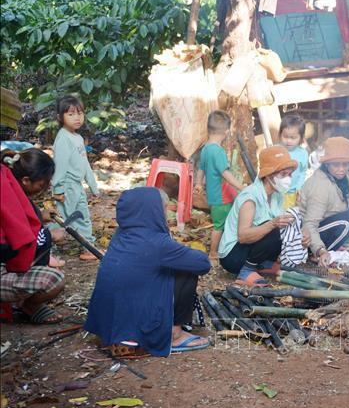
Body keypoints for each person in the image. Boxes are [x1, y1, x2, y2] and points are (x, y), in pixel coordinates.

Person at [85, 187, 212, 356]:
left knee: (171, 267)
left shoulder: (121, 235)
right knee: (186, 272)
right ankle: (174, 334)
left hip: (109, 324)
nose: (166, 214)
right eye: (164, 209)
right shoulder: (156, 242)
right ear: (153, 211)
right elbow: (203, 264)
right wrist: (181, 252)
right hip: (137, 325)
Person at [219, 145, 301, 286]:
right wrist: (273, 224)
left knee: (285, 226)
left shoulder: (277, 195)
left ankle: (265, 264)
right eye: (283, 174)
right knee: (273, 227)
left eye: (289, 174)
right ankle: (246, 271)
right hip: (233, 256)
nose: (288, 179)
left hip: (251, 248)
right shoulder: (250, 197)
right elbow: (243, 236)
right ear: (268, 175)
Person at [1, 149, 65, 324]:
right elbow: (13, 242)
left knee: (51, 269)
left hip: (8, 262)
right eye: (42, 185)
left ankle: (25, 301)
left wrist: (39, 216)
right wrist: (49, 235)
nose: (44, 189)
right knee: (55, 280)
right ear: (25, 181)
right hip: (4, 266)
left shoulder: (11, 188)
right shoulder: (5, 194)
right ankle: (28, 306)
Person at [299, 137, 349, 267]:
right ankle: (316, 254)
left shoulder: (341, 177)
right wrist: (320, 250)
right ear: (327, 164)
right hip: (307, 236)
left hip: (327, 220)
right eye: (336, 164)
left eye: (345, 164)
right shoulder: (321, 187)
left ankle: (332, 245)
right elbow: (309, 224)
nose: (341, 169)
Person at [51, 95, 99, 261]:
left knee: (82, 216)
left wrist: (93, 186)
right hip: (67, 187)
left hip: (77, 187)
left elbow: (84, 163)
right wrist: (58, 190)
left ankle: (88, 248)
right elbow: (60, 166)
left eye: (80, 113)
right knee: (64, 219)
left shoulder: (77, 138)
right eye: (71, 114)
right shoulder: (63, 139)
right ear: (60, 117)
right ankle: (42, 246)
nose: (77, 117)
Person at [195, 110, 245, 262]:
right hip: (222, 196)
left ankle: (224, 245)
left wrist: (198, 183)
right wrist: (241, 187)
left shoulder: (205, 149)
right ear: (226, 131)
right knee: (219, 225)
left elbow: (201, 168)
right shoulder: (218, 152)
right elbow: (226, 174)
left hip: (214, 194)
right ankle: (213, 252)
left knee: (221, 222)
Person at [278, 115, 309, 210]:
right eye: (285, 136)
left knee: (289, 216)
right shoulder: (276, 151)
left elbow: (303, 172)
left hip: (293, 193)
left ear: (301, 138)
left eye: (293, 138)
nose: (288, 141)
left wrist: (299, 187)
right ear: (280, 134)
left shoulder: (303, 153)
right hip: (277, 193)